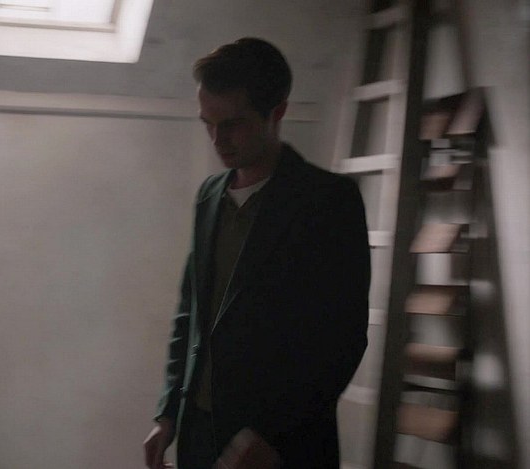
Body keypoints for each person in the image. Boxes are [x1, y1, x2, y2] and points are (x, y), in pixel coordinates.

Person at [143, 37, 370, 469]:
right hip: (199, 435)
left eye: (232, 124)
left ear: (277, 112)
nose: (218, 139)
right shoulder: (209, 195)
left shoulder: (329, 200)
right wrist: (167, 413)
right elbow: (190, 313)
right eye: (208, 123)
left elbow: (342, 338)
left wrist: (273, 435)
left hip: (282, 449)